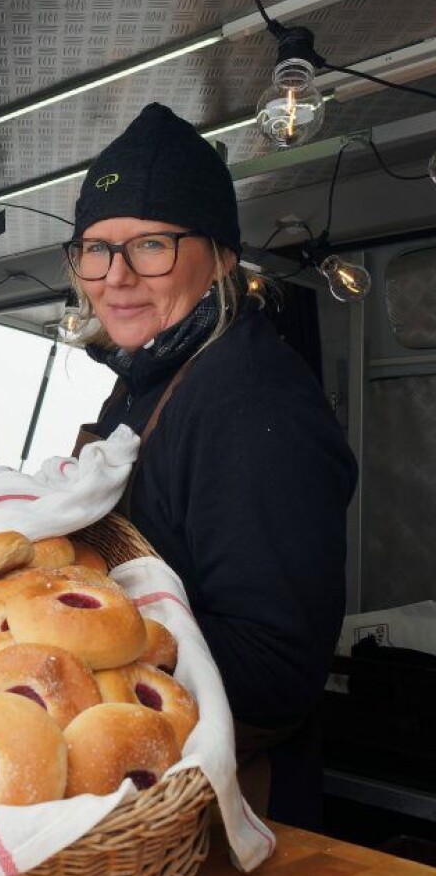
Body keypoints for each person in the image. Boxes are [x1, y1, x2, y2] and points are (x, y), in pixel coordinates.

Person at [68, 103, 358, 828]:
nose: (116, 277)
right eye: (97, 249)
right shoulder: (146, 382)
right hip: (148, 795)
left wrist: (78, 649)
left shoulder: (252, 399)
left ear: (223, 255)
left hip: (229, 816)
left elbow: (276, 670)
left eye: (152, 246)